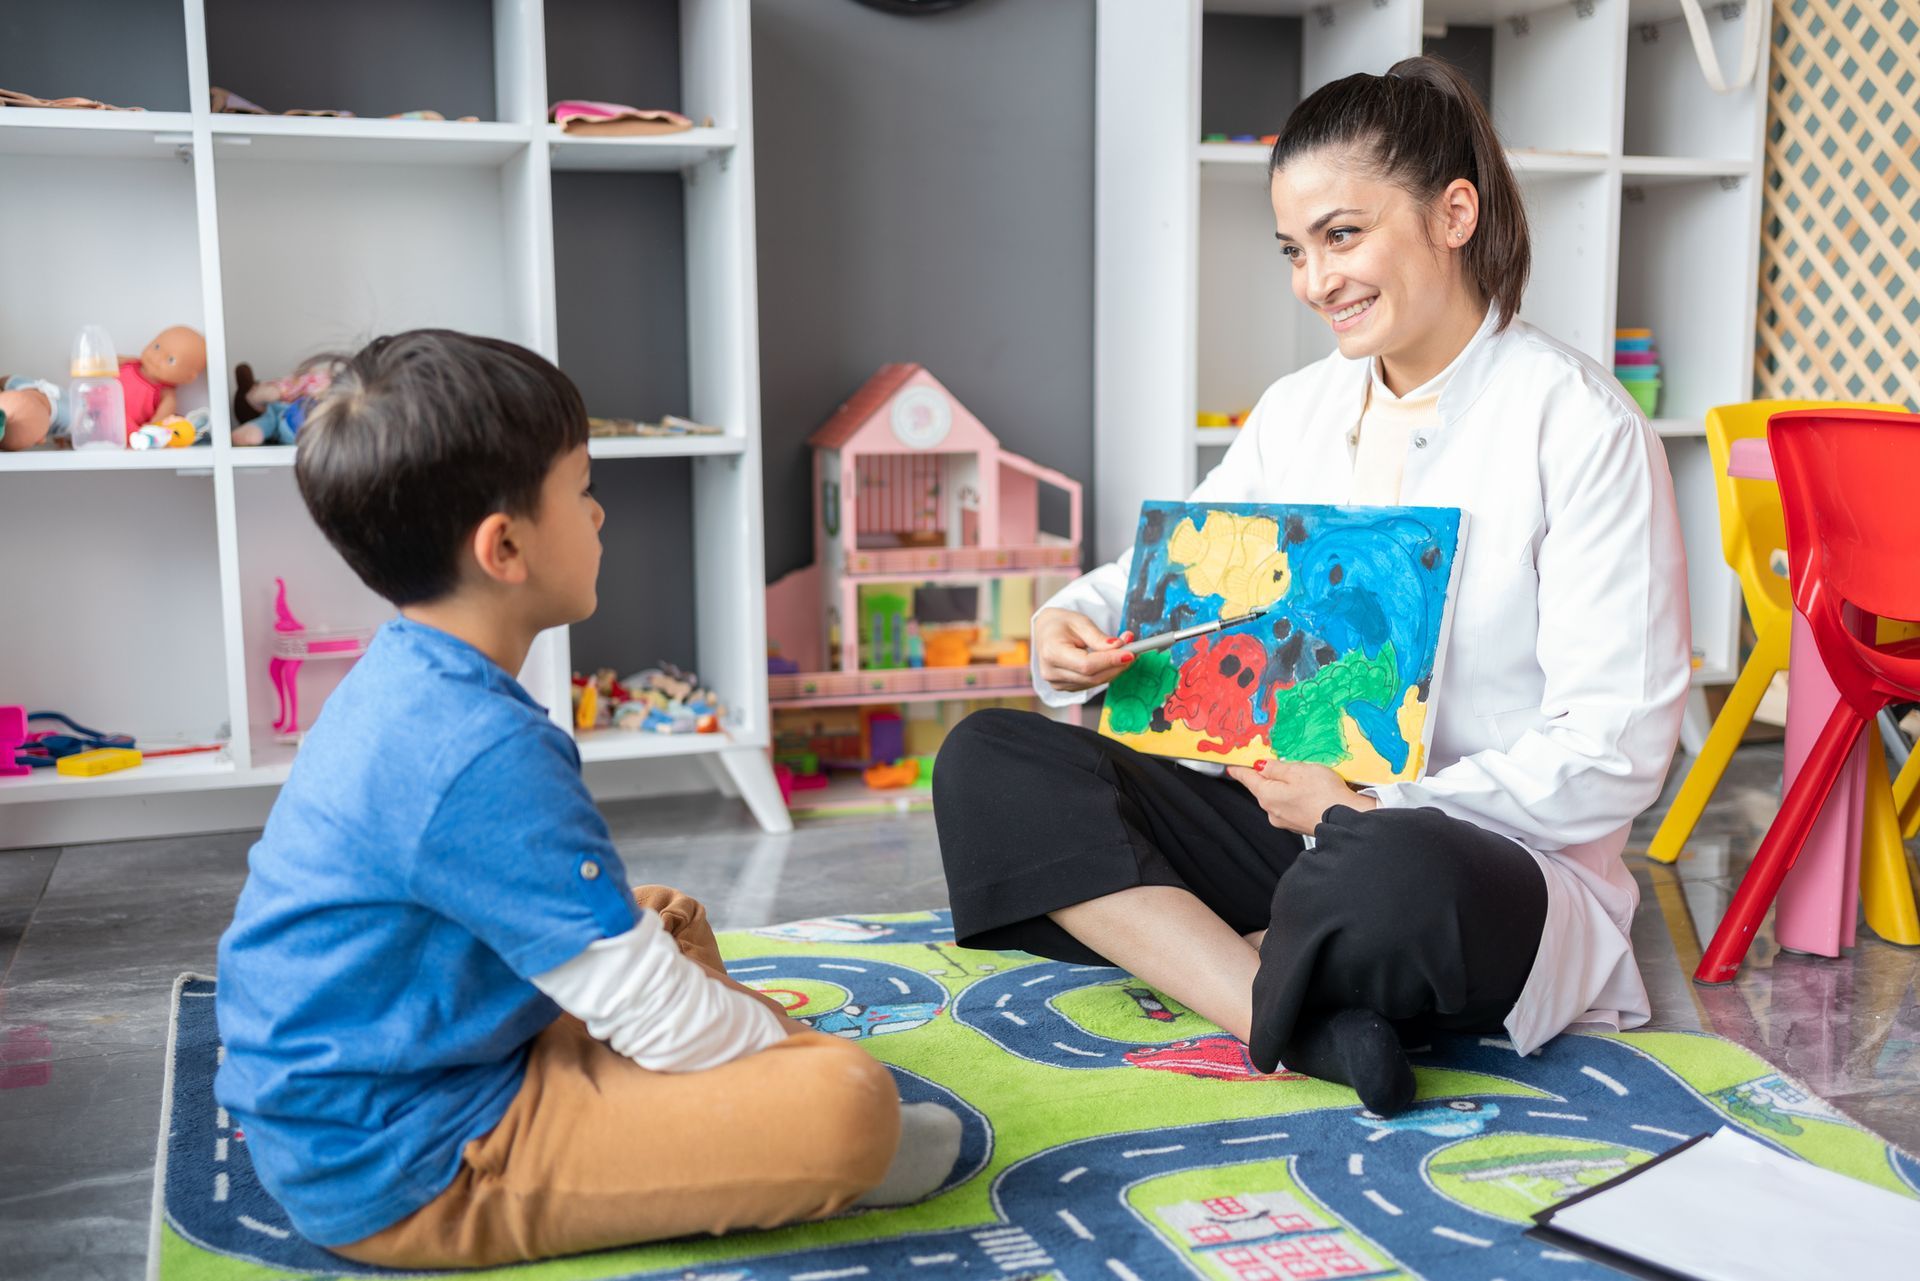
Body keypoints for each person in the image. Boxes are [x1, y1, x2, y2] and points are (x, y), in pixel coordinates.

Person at [934, 57, 1691, 1117]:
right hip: (1282, 821)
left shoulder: (1579, 426)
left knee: (1387, 878)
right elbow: (1181, 577)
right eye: (1295, 250)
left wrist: (1372, 805)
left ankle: (1211, 954)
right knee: (987, 759)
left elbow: (1617, 750)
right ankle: (1279, 1008)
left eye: (1342, 236)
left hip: (1464, 854)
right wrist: (1081, 620)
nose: (1313, 279)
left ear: (1454, 213)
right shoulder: (1299, 408)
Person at [215, 330, 959, 1270]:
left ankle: (704, 1090)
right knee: (848, 1102)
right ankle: (795, 1135)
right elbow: (642, 997)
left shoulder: (413, 673)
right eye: (582, 490)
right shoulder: (475, 747)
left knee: (663, 914)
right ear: (507, 545)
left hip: (396, 1059)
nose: (600, 516)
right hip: (414, 1160)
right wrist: (783, 1051)